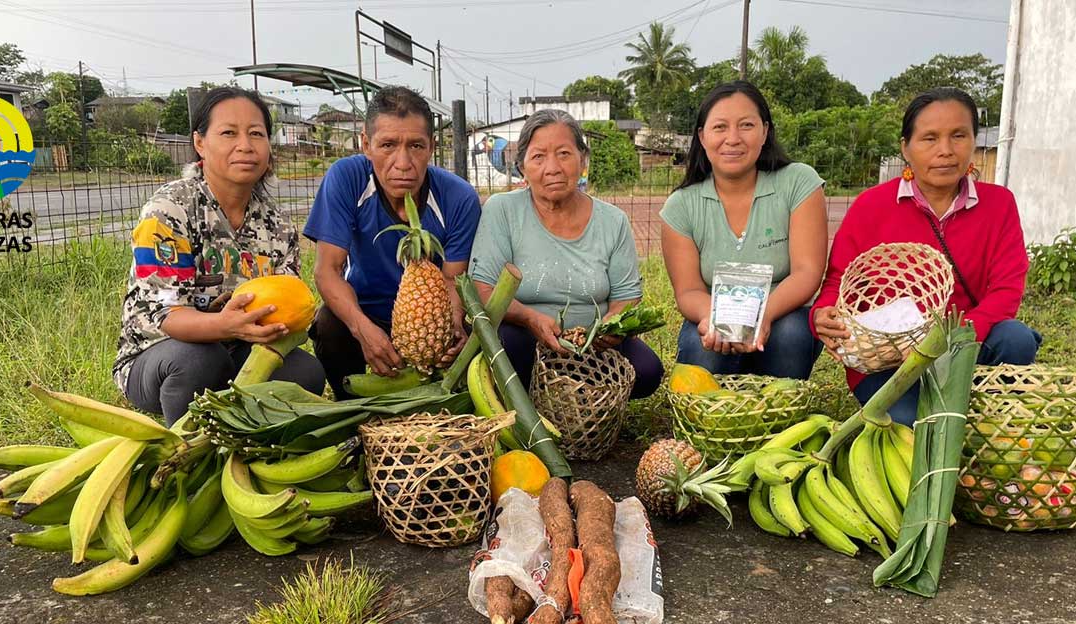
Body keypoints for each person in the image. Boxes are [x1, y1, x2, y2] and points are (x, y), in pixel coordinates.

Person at [811, 87, 1040, 426]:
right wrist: (822, 314)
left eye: (958, 136)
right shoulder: (872, 206)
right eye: (929, 138)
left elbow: (1006, 292)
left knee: (1015, 337)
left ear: (974, 141)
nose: (945, 151)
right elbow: (837, 283)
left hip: (966, 349)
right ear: (906, 148)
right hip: (891, 362)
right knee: (916, 429)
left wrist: (942, 341)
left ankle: (990, 423)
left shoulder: (998, 204)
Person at [112, 86, 325, 425]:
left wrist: (284, 325)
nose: (245, 145)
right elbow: (163, 314)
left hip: (240, 351)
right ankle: (185, 453)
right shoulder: (170, 210)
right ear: (200, 143)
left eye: (256, 134)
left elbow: (287, 303)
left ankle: (247, 442)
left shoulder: (278, 225)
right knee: (200, 360)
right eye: (228, 133)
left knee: (305, 372)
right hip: (161, 355)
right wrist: (223, 324)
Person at [470, 109, 663, 398]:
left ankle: (578, 405)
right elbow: (482, 289)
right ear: (521, 166)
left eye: (564, 153)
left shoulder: (612, 221)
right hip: (525, 338)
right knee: (508, 347)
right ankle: (533, 407)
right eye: (538, 157)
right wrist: (530, 319)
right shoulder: (502, 210)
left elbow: (627, 296)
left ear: (582, 159)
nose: (553, 168)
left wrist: (607, 329)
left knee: (647, 371)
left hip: (592, 343)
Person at [305, 86, 481, 397]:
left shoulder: (458, 197)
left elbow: (454, 280)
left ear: (432, 147)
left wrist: (453, 322)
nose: (403, 162)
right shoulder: (348, 178)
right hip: (366, 310)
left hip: (433, 315)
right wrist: (361, 329)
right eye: (387, 145)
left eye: (416, 145)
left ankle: (443, 410)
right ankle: (352, 411)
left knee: (470, 341)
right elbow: (327, 270)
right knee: (329, 323)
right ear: (366, 144)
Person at [659, 81, 828, 379]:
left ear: (764, 131)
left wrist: (761, 317)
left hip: (782, 314)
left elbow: (807, 272)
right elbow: (689, 291)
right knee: (701, 348)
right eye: (720, 127)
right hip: (715, 314)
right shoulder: (681, 206)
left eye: (746, 125)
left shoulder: (798, 182)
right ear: (702, 136)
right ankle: (710, 421)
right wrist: (716, 319)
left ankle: (780, 417)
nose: (733, 139)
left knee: (790, 334)